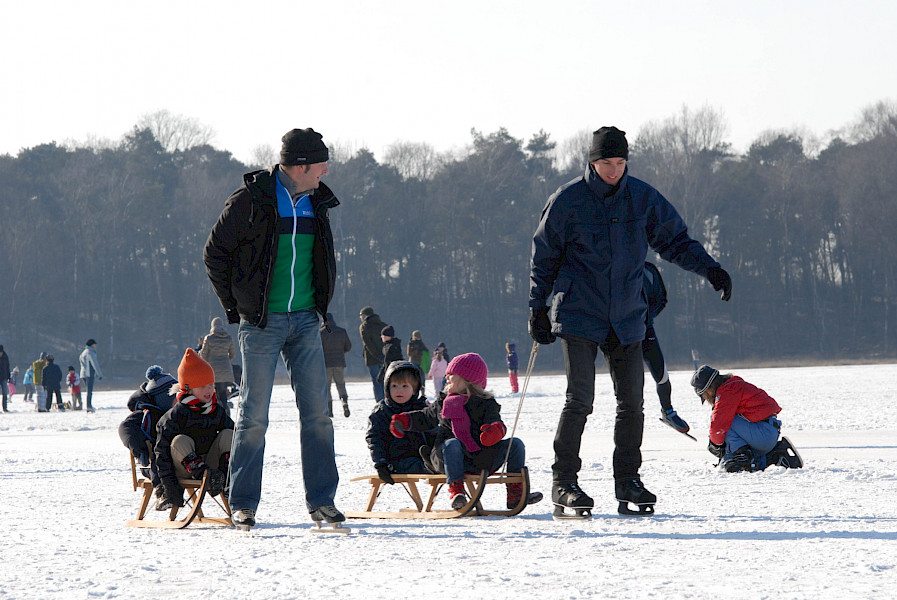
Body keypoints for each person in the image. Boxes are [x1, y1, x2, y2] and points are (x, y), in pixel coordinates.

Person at [529, 126, 733, 517]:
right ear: (592, 161)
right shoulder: (567, 201)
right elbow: (544, 257)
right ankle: (564, 482)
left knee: (632, 404)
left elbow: (674, 241)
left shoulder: (642, 198)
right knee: (580, 400)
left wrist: (711, 269)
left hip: (626, 315)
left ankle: (629, 482)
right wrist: (537, 308)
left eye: (621, 163)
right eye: (607, 162)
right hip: (580, 313)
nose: (614, 170)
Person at [203, 127, 343, 530]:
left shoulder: (318, 201)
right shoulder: (251, 201)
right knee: (254, 415)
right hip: (261, 324)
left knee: (318, 413)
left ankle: (322, 502)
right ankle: (243, 503)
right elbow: (215, 254)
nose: (325, 170)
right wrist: (237, 306)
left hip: (305, 321)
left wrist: (320, 307)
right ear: (299, 166)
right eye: (320, 163)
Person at [389, 353, 543, 511]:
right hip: (446, 457)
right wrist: (404, 421)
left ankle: (515, 493)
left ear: (469, 380)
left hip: (478, 457)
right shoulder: (444, 402)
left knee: (515, 444)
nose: (447, 378)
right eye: (447, 374)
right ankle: (457, 492)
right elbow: (425, 417)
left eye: (452, 375)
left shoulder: (486, 403)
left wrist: (494, 431)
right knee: (453, 444)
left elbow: (495, 421)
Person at [155, 349, 234, 511]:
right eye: (203, 386)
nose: (210, 390)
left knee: (229, 435)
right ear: (188, 389)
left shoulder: (216, 410)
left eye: (211, 385)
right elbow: (161, 453)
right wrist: (170, 490)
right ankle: (205, 474)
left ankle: (226, 480)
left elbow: (235, 438)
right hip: (182, 468)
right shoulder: (175, 415)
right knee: (180, 441)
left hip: (210, 466)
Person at [691, 365, 803, 472]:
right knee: (728, 454)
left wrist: (715, 445)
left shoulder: (728, 391)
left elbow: (719, 424)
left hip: (763, 433)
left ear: (708, 391)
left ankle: (742, 457)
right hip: (766, 432)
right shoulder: (733, 385)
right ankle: (776, 456)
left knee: (725, 422)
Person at [366, 361, 434, 481]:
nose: (399, 391)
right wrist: (381, 463)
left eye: (404, 386)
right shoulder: (382, 411)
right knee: (416, 465)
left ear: (414, 389)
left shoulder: (421, 408)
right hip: (396, 461)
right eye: (394, 386)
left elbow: (433, 432)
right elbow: (375, 439)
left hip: (423, 455)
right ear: (387, 388)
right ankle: (431, 466)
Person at [642, 262, 689, 433]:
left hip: (645, 330)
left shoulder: (649, 270)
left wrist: (646, 316)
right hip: (620, 335)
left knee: (662, 375)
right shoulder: (613, 265)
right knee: (629, 385)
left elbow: (661, 298)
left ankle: (668, 411)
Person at [118, 365, 178, 501]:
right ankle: (162, 491)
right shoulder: (146, 414)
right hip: (153, 464)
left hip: (177, 458)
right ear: (164, 398)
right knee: (160, 454)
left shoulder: (177, 413)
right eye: (175, 396)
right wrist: (141, 451)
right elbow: (126, 428)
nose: (178, 399)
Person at [198, 317, 237, 416]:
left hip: (212, 370)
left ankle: (214, 414)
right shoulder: (228, 338)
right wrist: (226, 360)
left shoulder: (209, 338)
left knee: (212, 393)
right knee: (223, 393)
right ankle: (226, 412)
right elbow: (233, 353)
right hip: (225, 369)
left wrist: (205, 362)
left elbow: (203, 354)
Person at [320, 312, 352, 418]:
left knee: (327, 387)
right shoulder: (341, 331)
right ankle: (344, 403)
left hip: (326, 364)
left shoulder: (321, 333)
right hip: (339, 363)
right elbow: (348, 346)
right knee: (341, 384)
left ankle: (329, 410)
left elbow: (318, 350)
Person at [359, 306, 387, 402]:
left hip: (372, 358)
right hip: (385, 357)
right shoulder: (383, 325)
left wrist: (376, 355)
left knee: (376, 382)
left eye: (361, 316)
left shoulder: (364, 326)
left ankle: (380, 402)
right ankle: (387, 401)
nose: (361, 318)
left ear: (365, 315)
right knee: (385, 381)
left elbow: (367, 344)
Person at [79, 339, 103, 413]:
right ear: (91, 345)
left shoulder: (83, 352)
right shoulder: (90, 353)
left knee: (88, 391)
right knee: (89, 391)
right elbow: (95, 364)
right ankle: (89, 406)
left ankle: (89, 406)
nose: (95, 346)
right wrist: (99, 374)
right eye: (95, 344)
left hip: (83, 374)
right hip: (89, 374)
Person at [0, 345, 9, 413]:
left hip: (4, 377)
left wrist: (8, 376)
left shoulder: (5, 357)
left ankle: (5, 408)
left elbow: (7, 367)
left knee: (5, 393)